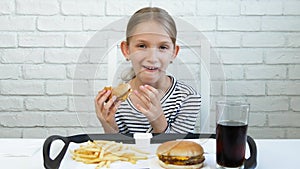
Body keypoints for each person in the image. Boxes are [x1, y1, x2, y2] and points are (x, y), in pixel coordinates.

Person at [95, 7, 201, 134]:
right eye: (142, 46)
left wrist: (159, 122)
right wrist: (109, 127)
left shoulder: (187, 97)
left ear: (173, 53)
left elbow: (177, 149)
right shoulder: (116, 102)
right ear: (126, 50)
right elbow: (119, 150)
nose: (152, 58)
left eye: (162, 47)